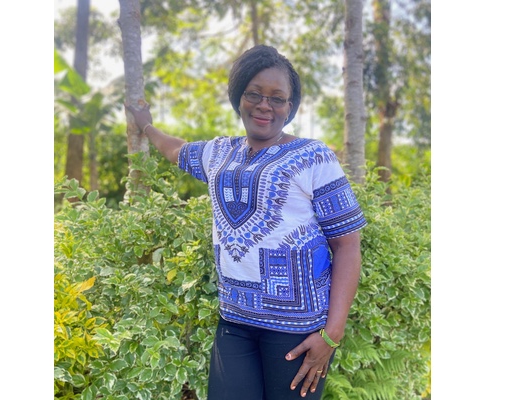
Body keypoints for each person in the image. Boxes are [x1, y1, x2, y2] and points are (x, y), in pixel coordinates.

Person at [126, 44, 366, 399]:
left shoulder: (314, 157)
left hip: (296, 332)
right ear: (239, 98)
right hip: (234, 323)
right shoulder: (220, 154)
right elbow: (176, 149)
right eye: (254, 94)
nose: (264, 105)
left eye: (277, 98)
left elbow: (347, 245)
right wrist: (145, 124)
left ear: (290, 107)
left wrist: (332, 335)